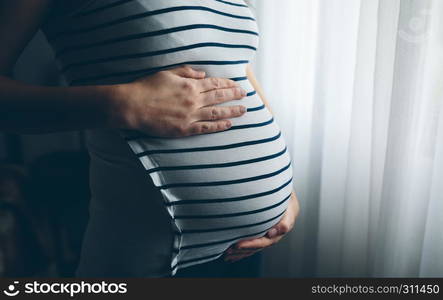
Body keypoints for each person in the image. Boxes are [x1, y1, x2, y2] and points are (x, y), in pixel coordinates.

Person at [0, 0, 300, 277]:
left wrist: (286, 192)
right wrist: (125, 104)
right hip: (153, 260)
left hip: (247, 250)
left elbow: (237, 74)